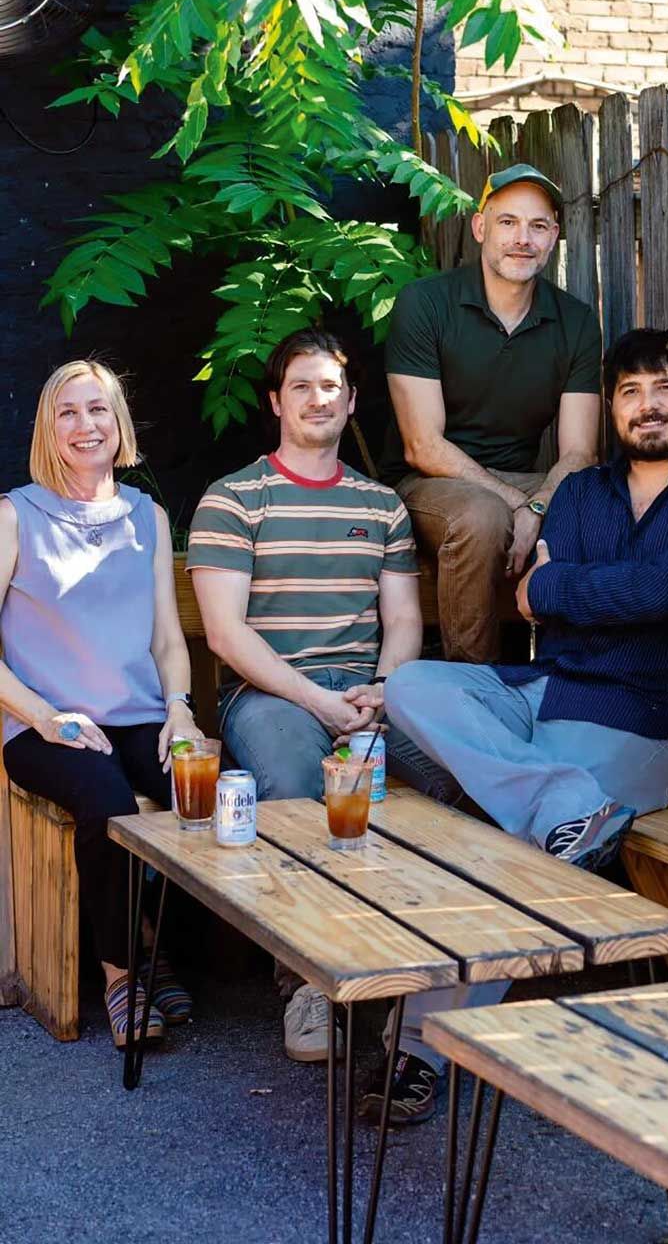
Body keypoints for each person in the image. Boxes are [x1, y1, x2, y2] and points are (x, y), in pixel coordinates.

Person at [367, 328, 668, 1124]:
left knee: (504, 842)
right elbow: (531, 602)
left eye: (664, 389)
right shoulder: (579, 492)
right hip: (546, 692)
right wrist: (579, 593)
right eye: (630, 392)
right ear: (611, 407)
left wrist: (563, 588)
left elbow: (660, 593)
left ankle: (416, 1049)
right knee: (411, 685)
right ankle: (561, 807)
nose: (648, 406)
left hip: (650, 724)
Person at [187, 328, 421, 1063]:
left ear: (350, 402)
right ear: (275, 402)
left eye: (330, 387)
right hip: (270, 694)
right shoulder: (233, 499)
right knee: (293, 786)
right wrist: (320, 704)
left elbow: (403, 621)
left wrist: (382, 692)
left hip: (368, 695)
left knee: (447, 779)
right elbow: (225, 635)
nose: (317, 399)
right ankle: (309, 985)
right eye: (301, 387)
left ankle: (418, 978)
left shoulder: (382, 506)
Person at [0, 360, 198, 1048]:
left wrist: (181, 709)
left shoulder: (147, 517)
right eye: (68, 412)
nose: (85, 425)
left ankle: (155, 945)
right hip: (44, 725)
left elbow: (168, 639)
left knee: (198, 789)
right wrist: (42, 715)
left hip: (139, 714)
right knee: (108, 801)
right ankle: (120, 975)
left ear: (119, 423)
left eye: (98, 410)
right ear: (47, 429)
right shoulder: (14, 515)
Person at [378, 163, 602, 662]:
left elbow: (579, 453)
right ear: (481, 227)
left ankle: (567, 681)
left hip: (521, 481)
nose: (522, 239)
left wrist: (537, 506)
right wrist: (517, 504)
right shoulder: (425, 303)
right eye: (507, 222)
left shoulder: (576, 321)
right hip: (428, 484)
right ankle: (471, 688)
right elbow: (422, 446)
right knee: (482, 515)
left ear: (553, 238)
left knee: (597, 504)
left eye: (538, 226)